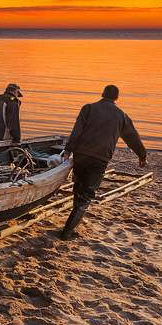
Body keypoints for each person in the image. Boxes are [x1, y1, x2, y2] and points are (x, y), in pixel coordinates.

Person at [60, 84, 147, 241]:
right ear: (116, 98)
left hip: (81, 155)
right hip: (100, 159)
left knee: (78, 188)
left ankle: (71, 226)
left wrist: (68, 150)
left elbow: (77, 130)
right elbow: (132, 137)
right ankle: (67, 232)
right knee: (86, 195)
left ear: (102, 94)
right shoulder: (121, 116)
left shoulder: (88, 108)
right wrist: (142, 155)